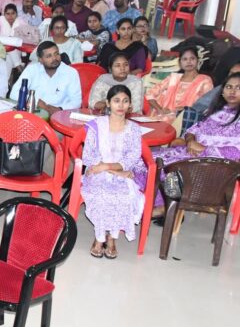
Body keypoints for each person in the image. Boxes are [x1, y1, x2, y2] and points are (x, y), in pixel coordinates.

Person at [148, 72, 240, 212]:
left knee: (166, 171)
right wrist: (190, 141)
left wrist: (203, 149)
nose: (232, 91)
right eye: (228, 87)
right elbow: (194, 129)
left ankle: (166, 206)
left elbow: (235, 152)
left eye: (238, 87)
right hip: (191, 154)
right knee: (147, 159)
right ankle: (155, 203)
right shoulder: (216, 111)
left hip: (213, 166)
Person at [79, 84, 147, 259]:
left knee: (123, 195)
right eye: (116, 101)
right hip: (97, 172)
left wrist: (109, 168)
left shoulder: (133, 128)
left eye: (125, 101)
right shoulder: (96, 125)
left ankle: (112, 238)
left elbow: (133, 157)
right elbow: (88, 155)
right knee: (102, 194)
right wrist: (106, 169)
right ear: (108, 103)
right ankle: (99, 238)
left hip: (122, 173)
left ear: (130, 105)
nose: (121, 105)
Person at [145, 45, 213, 124]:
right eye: (185, 59)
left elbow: (206, 105)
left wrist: (182, 110)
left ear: (197, 61)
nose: (189, 61)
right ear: (180, 63)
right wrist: (160, 109)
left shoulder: (205, 80)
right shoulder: (173, 78)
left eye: (192, 58)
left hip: (188, 119)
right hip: (165, 116)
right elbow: (150, 94)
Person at [10, 41, 82, 113]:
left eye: (56, 54)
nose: (54, 58)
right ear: (40, 60)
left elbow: (76, 101)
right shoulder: (31, 69)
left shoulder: (71, 73)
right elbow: (14, 94)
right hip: (35, 112)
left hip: (59, 114)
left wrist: (59, 109)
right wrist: (37, 102)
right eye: (49, 56)